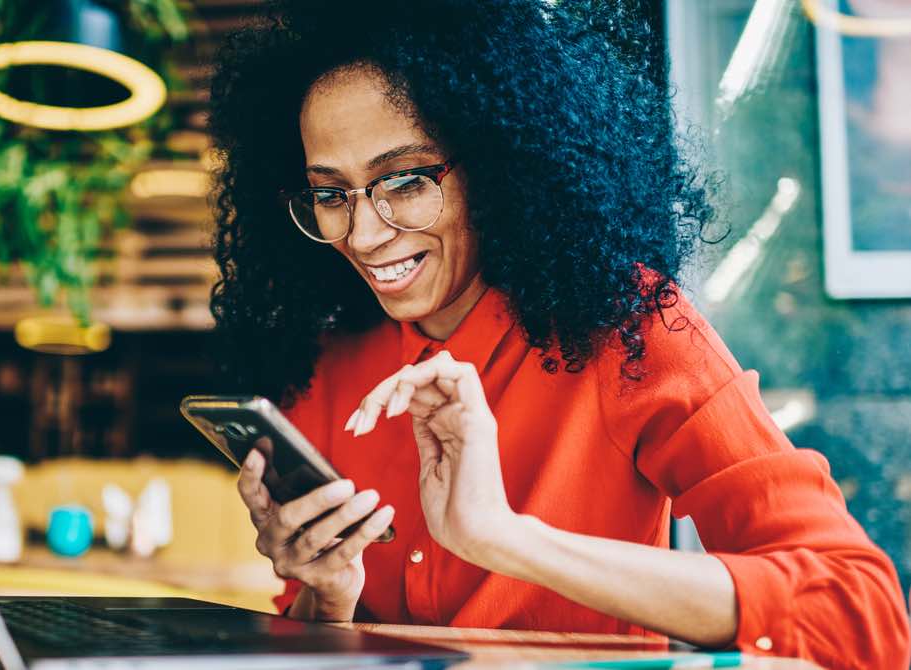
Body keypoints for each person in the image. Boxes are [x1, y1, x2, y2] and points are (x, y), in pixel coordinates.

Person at [206, 1, 910, 667]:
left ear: (496, 163)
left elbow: (860, 616)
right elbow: (309, 643)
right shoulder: (328, 362)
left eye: (407, 181)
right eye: (331, 195)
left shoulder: (625, 327)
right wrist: (324, 599)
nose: (361, 233)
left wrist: (509, 540)